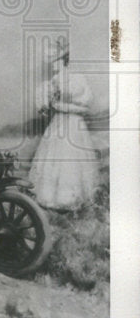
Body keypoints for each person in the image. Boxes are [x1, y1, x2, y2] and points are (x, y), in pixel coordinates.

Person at [28, 37, 98, 211]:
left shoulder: (75, 79)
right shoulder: (53, 82)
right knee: (57, 156)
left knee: (72, 158)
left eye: (55, 62)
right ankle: (57, 198)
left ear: (63, 60)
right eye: (51, 62)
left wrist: (59, 106)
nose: (52, 66)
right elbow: (49, 106)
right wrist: (50, 105)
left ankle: (70, 198)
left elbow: (85, 105)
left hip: (72, 124)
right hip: (61, 123)